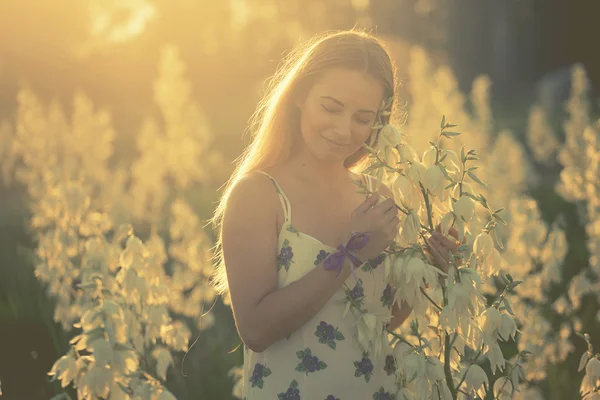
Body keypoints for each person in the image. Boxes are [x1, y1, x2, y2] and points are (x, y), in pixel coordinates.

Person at [209, 29, 458, 400]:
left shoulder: (376, 196)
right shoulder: (258, 195)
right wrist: (351, 251)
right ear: (299, 97)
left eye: (362, 117)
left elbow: (380, 320)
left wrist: (429, 270)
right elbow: (256, 330)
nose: (344, 129)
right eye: (331, 107)